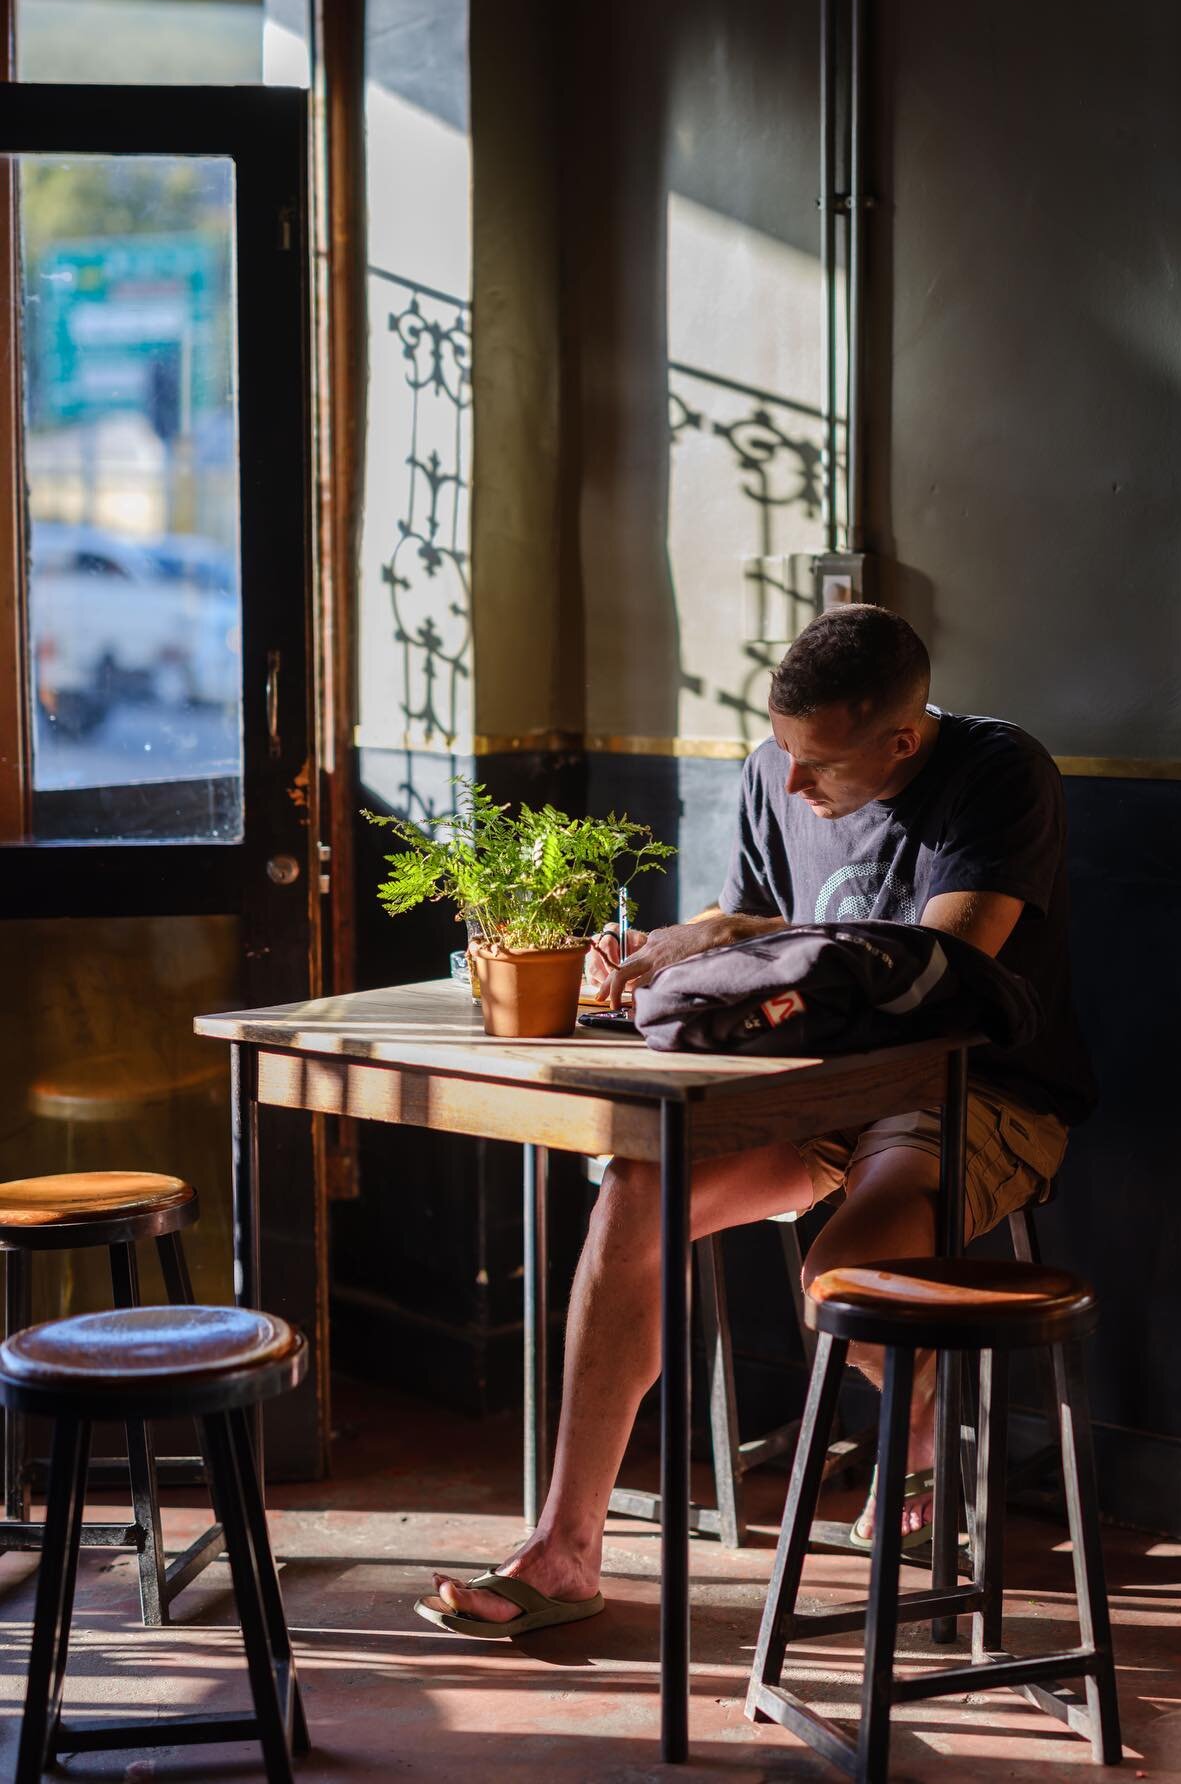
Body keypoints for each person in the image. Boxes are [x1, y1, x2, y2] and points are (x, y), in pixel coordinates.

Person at [418, 604, 1096, 1637]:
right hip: (811, 1092)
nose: (791, 784)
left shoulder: (999, 773)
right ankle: (564, 1550)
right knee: (634, 1191)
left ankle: (916, 1420)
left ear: (902, 742)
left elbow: (946, 966)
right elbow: (769, 970)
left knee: (848, 1263)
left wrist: (739, 936)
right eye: (781, 750)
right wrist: (671, 960)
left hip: (976, 1087)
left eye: (815, 762)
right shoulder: (769, 773)